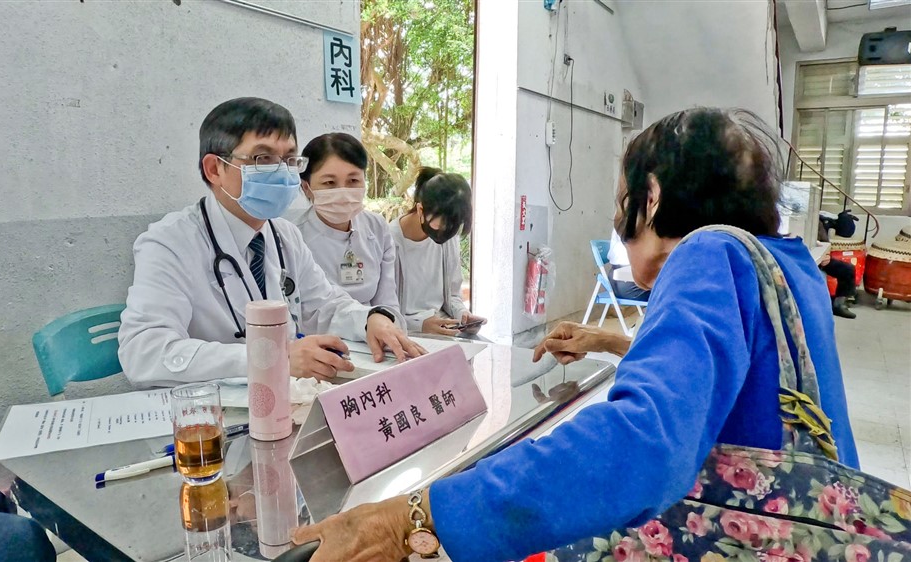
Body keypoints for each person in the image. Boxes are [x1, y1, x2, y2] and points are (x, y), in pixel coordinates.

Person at [290, 108, 858, 561]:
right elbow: (741, 376)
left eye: (621, 200)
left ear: (651, 197)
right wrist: (609, 341)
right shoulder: (786, 264)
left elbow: (639, 446)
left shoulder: (707, 253)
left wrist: (414, 518)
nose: (618, 218)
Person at [118, 98, 424, 387]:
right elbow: (144, 351)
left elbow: (325, 305)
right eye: (263, 158)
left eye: (289, 159)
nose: (282, 172)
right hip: (210, 410)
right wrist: (271, 359)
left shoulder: (283, 234)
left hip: (284, 399)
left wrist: (371, 319)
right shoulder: (169, 243)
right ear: (214, 169)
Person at [294, 133, 399, 309]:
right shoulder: (294, 238)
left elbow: (387, 301)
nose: (343, 192)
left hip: (377, 323)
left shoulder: (377, 227)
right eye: (329, 182)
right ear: (306, 187)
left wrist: (391, 323)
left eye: (353, 180)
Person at [390, 168, 486, 336]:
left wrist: (462, 315)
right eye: (440, 225)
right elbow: (380, 309)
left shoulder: (448, 239)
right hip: (402, 331)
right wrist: (420, 325)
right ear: (421, 210)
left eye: (453, 227)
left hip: (443, 327)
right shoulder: (389, 240)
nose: (446, 232)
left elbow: (452, 295)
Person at [817, 211, 859, 319]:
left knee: (847, 269)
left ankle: (839, 305)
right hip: (802, 257)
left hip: (820, 258)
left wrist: (825, 255)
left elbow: (825, 243)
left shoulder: (818, 221)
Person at [607, 228, 651, 301]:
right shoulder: (643, 224)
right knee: (668, 291)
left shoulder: (621, 222)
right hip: (631, 284)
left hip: (612, 283)